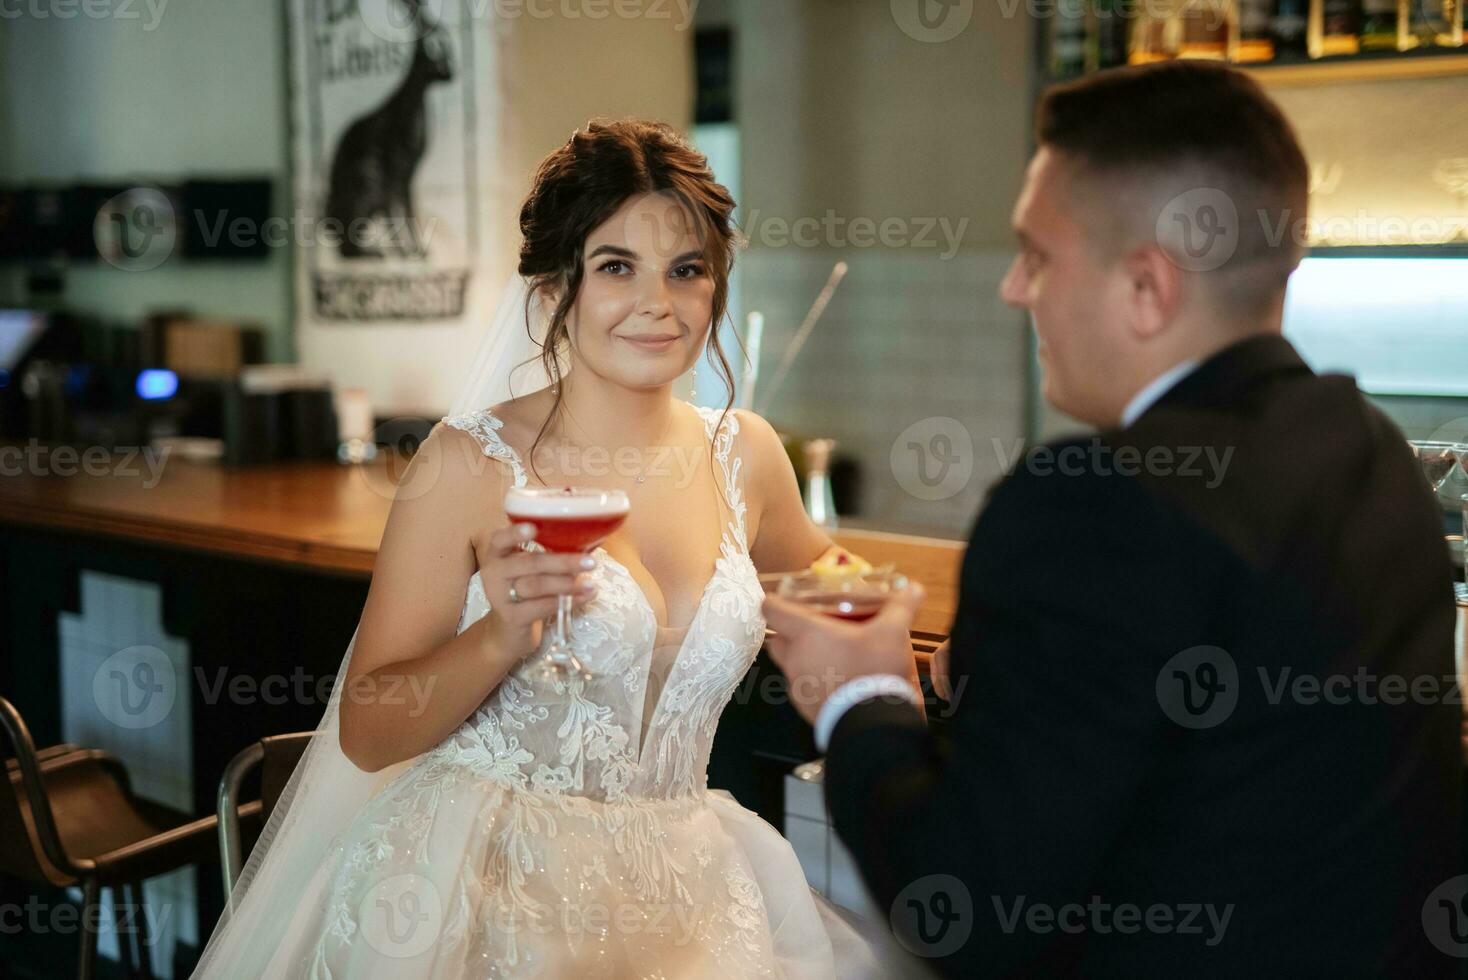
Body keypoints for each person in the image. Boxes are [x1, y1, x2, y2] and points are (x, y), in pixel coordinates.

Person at [763, 61, 1461, 977]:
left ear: (1148, 288)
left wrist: (858, 696)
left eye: (1038, 255)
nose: (1016, 290)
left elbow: (967, 908)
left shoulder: (1088, 501)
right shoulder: (1370, 449)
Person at [192, 119, 921, 977]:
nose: (660, 302)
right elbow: (368, 730)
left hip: (687, 892)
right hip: (478, 893)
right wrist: (498, 634)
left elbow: (842, 589)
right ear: (553, 290)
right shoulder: (466, 463)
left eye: (687, 270)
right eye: (617, 267)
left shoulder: (747, 453)